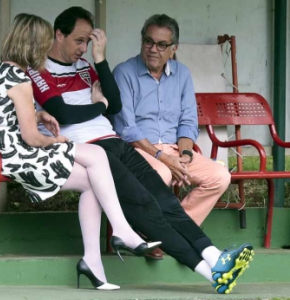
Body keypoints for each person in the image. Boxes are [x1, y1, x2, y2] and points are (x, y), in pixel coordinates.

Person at [29, 6, 253, 294]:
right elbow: (64, 114)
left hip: (114, 143)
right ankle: (211, 275)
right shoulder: (38, 72)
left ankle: (215, 257)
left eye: (88, 42)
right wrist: (98, 106)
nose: (83, 48)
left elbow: (116, 104)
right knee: (149, 212)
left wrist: (100, 59)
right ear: (59, 35)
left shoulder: (86, 67)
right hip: (91, 152)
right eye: (79, 40)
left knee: (167, 203)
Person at [0, 13, 161, 291]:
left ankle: (93, 263)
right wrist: (59, 141)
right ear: (33, 45)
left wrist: (38, 115)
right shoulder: (22, 79)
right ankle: (123, 231)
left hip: (1, 153)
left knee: (93, 182)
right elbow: (31, 138)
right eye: (43, 43)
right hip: (15, 158)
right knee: (95, 156)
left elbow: (3, 115)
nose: (46, 49)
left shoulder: (1, 69)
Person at [112, 14, 231, 226]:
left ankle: (174, 228)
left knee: (220, 177)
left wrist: (184, 155)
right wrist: (163, 158)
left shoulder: (182, 74)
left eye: (161, 44)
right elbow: (127, 129)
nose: (153, 49)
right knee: (161, 174)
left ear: (173, 49)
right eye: (148, 41)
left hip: (175, 151)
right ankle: (157, 232)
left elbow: (187, 122)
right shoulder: (124, 72)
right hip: (137, 150)